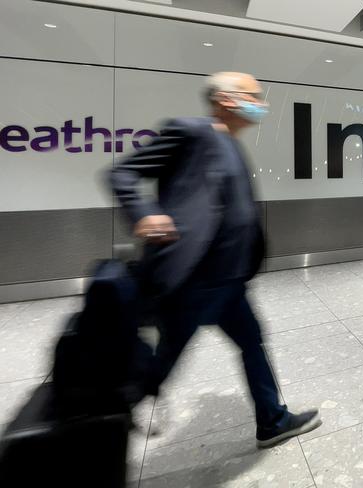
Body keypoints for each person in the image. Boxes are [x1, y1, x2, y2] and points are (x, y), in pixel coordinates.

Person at [110, 71, 321, 448]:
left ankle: (272, 420)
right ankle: (103, 421)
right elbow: (123, 172)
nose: (262, 104)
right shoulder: (188, 131)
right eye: (254, 96)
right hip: (194, 278)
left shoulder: (232, 143)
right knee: (165, 360)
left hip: (230, 280)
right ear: (226, 100)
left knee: (252, 342)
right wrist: (143, 213)